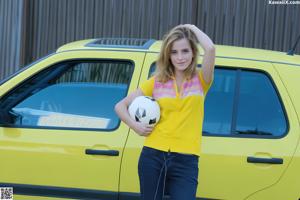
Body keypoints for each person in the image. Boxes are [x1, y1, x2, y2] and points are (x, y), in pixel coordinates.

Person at [115, 24, 215, 200]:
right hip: (153, 156)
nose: (180, 57)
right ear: (167, 55)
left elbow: (210, 48)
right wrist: (135, 126)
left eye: (185, 51)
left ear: (193, 52)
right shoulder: (156, 82)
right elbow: (120, 106)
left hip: (186, 160)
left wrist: (191, 28)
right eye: (174, 52)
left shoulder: (202, 80)